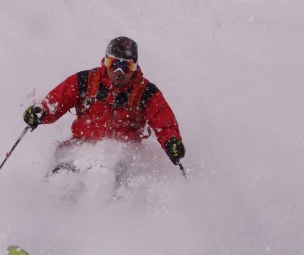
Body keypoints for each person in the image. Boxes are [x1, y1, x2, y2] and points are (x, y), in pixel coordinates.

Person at [23, 36, 185, 171]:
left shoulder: (146, 92)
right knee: (63, 175)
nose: (119, 72)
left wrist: (171, 142)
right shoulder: (85, 81)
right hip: (80, 146)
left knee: (116, 177)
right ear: (105, 62)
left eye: (126, 67)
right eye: (113, 64)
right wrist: (40, 112)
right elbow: (55, 102)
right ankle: (52, 204)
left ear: (135, 67)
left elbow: (164, 123)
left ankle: (119, 208)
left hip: (123, 154)